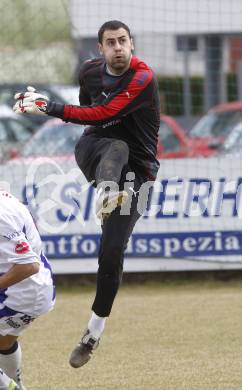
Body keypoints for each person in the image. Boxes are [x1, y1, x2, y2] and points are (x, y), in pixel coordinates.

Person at [13, 20, 161, 368]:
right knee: (115, 145)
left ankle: (93, 333)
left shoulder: (143, 77)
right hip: (96, 152)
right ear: (101, 49)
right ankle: (107, 190)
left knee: (111, 254)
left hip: (138, 176)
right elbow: (88, 114)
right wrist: (63, 111)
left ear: (132, 43)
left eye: (123, 40)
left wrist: (50, 106)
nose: (118, 47)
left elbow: (104, 111)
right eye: (111, 42)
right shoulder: (90, 72)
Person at [0, 190, 55, 389]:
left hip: (22, 292)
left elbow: (28, 265)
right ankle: (16, 384)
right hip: (35, 286)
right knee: (4, 342)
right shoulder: (5, 196)